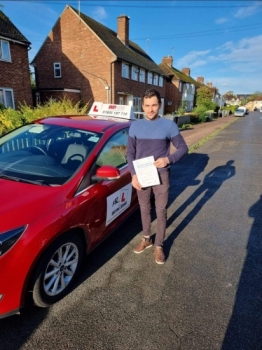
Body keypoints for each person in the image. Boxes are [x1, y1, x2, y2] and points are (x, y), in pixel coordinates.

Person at [127, 89, 188, 264]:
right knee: (144, 208)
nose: (150, 109)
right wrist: (133, 175)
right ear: (142, 106)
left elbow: (183, 148)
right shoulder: (135, 126)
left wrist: (169, 159)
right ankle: (147, 238)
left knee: (160, 211)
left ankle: (159, 245)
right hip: (142, 175)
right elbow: (130, 153)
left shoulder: (169, 125)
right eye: (147, 105)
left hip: (161, 175)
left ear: (159, 105)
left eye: (154, 105)